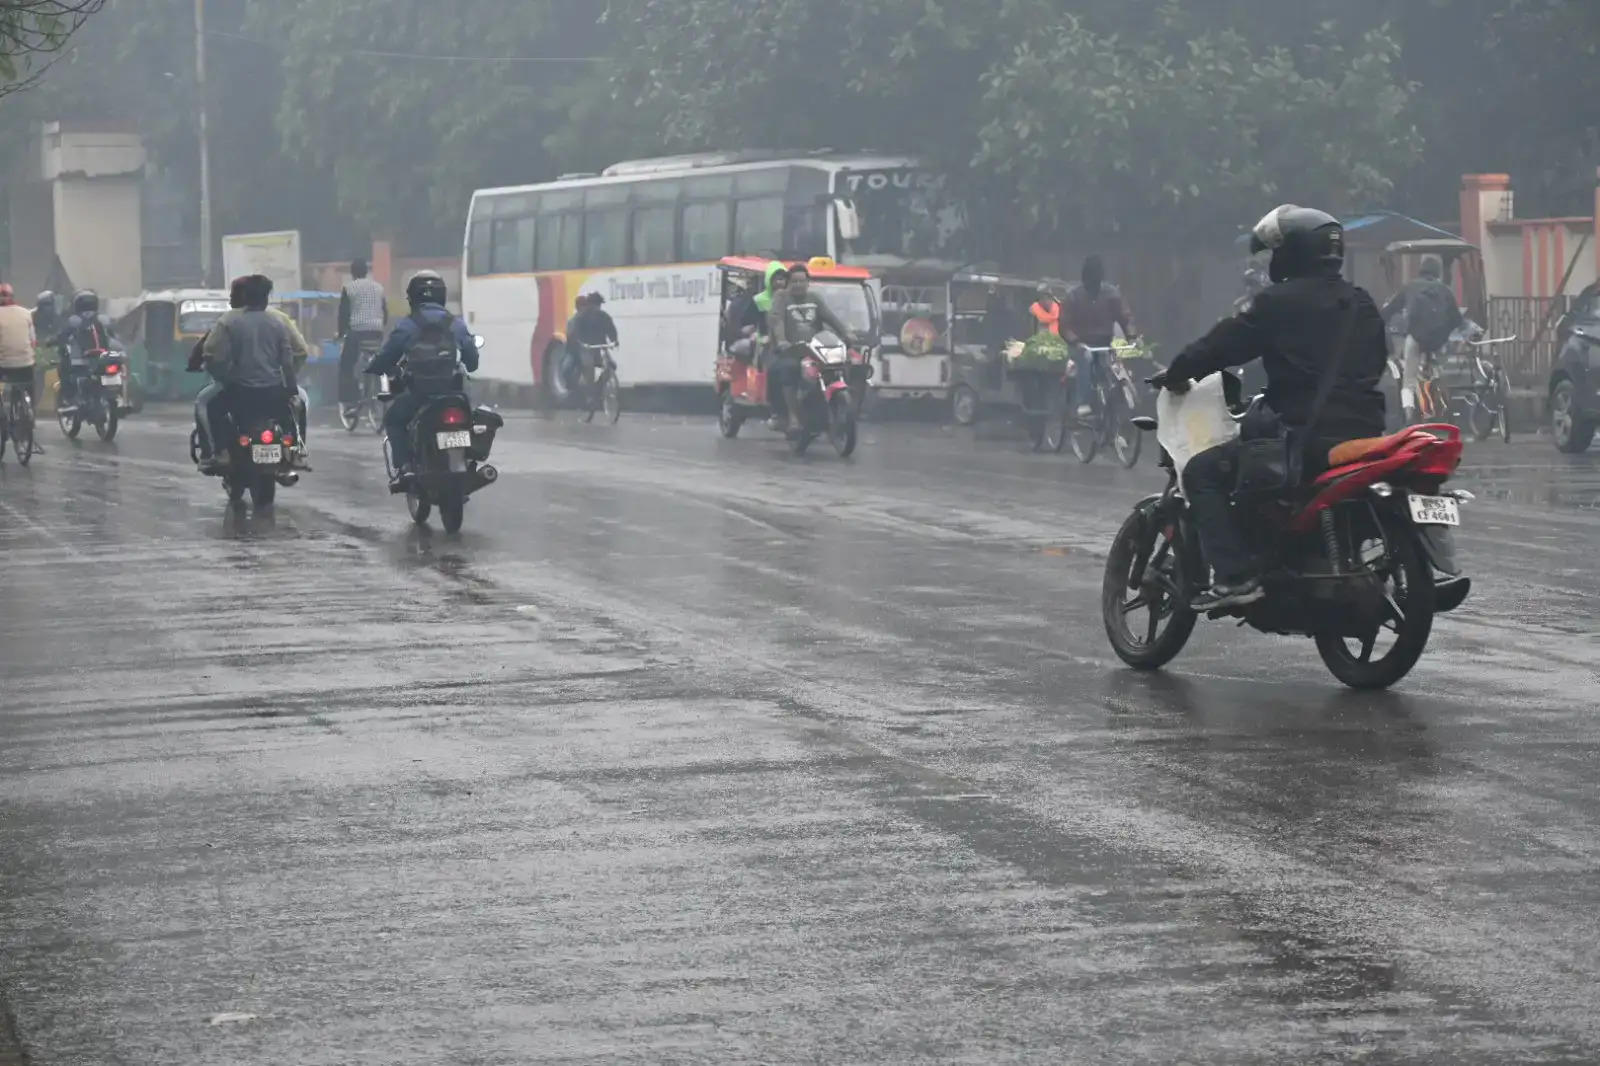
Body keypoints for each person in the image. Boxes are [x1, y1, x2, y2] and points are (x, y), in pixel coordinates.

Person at [1154, 204, 1387, 610]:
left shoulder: (1278, 302)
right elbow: (1375, 360)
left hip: (1303, 435)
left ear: (1293, 252)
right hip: (1365, 429)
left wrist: (1178, 370)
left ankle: (1234, 576)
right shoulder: (1361, 302)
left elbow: (1223, 344)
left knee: (1202, 471)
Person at [367, 270, 479, 489]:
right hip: (454, 394)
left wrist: (375, 367)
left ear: (413, 298)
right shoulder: (455, 324)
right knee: (471, 420)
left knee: (394, 420)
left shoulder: (408, 325)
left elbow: (387, 356)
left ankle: (406, 467)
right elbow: (472, 361)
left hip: (420, 395)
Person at [195, 275, 299, 473]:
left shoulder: (230, 323)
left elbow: (212, 355)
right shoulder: (278, 324)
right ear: (266, 298)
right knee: (294, 412)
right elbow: (287, 361)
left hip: (240, 393)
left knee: (212, 408)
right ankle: (296, 451)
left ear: (244, 296)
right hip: (272, 393)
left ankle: (221, 452)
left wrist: (224, 377)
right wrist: (291, 390)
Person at [766, 262, 854, 431]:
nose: (798, 285)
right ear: (788, 283)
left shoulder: (814, 298)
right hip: (790, 352)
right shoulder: (781, 297)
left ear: (808, 282)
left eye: (802, 281)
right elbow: (777, 321)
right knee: (788, 370)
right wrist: (782, 341)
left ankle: (834, 406)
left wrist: (846, 333)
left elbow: (830, 318)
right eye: (794, 282)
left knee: (841, 364)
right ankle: (792, 417)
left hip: (814, 351)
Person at [1381, 254, 1463, 423]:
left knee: (1409, 379)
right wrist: (1445, 332)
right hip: (1438, 341)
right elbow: (1457, 319)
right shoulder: (1445, 290)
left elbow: (1390, 310)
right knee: (1440, 369)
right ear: (1438, 272)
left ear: (1421, 270)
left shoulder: (1410, 287)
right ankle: (1444, 405)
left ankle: (1409, 414)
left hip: (1416, 338)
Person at [1063, 255, 1138, 417]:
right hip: (1082, 346)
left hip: (1105, 345)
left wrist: (1131, 336)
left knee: (1113, 370)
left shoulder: (1112, 294)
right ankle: (1083, 401)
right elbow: (1065, 325)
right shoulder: (1074, 296)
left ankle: (1114, 408)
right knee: (1087, 359)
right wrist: (1075, 342)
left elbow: (1125, 316)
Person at [337, 258, 389, 416]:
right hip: (376, 332)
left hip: (357, 333)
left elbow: (343, 315)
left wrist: (340, 333)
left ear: (352, 273)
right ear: (366, 272)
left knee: (346, 364)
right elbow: (385, 312)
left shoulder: (348, 288)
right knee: (373, 357)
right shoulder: (379, 288)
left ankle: (351, 401)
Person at [54, 289, 120, 411]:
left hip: (81, 361)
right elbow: (115, 336)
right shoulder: (103, 319)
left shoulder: (74, 320)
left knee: (64, 369)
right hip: (103, 358)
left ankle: (70, 399)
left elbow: (62, 336)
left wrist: (55, 341)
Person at [0, 284, 40, 439]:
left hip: (3, 366)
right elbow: (33, 341)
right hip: (25, 364)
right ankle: (30, 416)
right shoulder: (26, 313)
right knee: (28, 386)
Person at [565, 291, 619, 392]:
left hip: (600, 347)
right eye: (596, 304)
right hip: (586, 348)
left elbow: (611, 329)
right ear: (590, 305)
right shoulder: (581, 317)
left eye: (599, 305)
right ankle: (590, 394)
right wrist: (580, 343)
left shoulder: (604, 316)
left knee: (611, 365)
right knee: (589, 367)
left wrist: (614, 340)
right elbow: (575, 332)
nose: (598, 307)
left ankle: (598, 386)